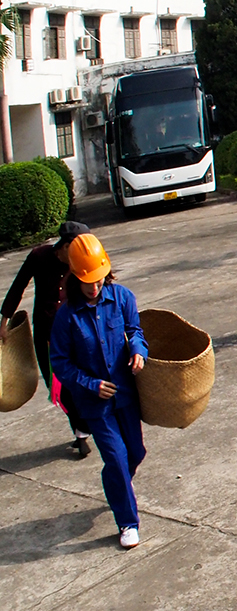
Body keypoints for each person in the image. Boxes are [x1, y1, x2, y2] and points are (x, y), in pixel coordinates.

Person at [48, 234, 149, 549]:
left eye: (99, 280)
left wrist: (137, 350)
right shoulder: (66, 316)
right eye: (87, 282)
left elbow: (135, 331)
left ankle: (117, 487)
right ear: (76, 277)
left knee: (135, 453)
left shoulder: (122, 298)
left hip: (125, 394)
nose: (94, 287)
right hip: (94, 404)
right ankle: (127, 523)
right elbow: (60, 363)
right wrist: (90, 384)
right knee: (117, 458)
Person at [3, 220, 93, 458]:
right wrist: (4, 321)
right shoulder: (39, 256)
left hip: (75, 331)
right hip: (45, 332)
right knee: (57, 387)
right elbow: (18, 286)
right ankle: (80, 430)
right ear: (63, 247)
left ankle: (83, 430)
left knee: (80, 382)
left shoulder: (81, 261)